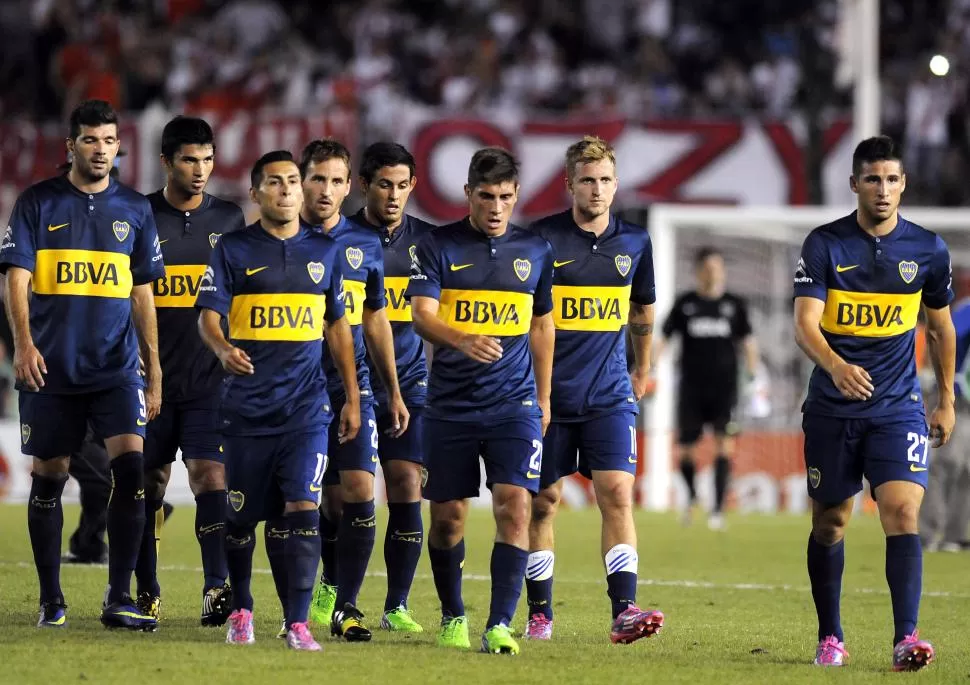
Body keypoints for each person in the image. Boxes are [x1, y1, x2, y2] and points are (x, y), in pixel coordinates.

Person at [792, 135, 955, 670]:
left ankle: (906, 637)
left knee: (903, 511)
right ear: (855, 184)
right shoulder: (825, 244)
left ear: (903, 183)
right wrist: (836, 367)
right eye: (872, 179)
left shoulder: (928, 249)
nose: (883, 190)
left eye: (891, 179)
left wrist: (946, 399)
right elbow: (804, 325)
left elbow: (940, 328)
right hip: (833, 409)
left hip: (898, 406)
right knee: (831, 522)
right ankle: (830, 636)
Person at [0, 99, 165, 630]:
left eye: (109, 141)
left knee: (131, 470)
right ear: (71, 146)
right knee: (49, 478)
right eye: (90, 140)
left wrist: (153, 367)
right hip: (52, 368)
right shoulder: (36, 203)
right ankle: (51, 598)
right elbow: (16, 280)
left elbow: (143, 293)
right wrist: (24, 345)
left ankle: (119, 598)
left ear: (120, 147)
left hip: (116, 369)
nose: (100, 149)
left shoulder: (135, 209)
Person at [196, 150, 360, 651]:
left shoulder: (326, 252)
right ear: (256, 193)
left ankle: (298, 621)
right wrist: (223, 348)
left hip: (306, 409)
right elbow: (207, 316)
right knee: (242, 518)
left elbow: (338, 327)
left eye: (293, 180)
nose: (288, 189)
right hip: (246, 409)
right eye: (276, 182)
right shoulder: (233, 249)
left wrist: (351, 396)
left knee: (303, 507)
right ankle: (241, 609)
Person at [406, 147, 555, 655]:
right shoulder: (437, 245)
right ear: (468, 193)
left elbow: (541, 323)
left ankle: (499, 624)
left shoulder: (535, 251)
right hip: (449, 406)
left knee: (515, 506)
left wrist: (544, 395)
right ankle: (453, 614)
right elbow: (422, 314)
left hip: (514, 405)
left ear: (517, 196)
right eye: (487, 196)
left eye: (506, 197)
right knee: (447, 520)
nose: (496, 207)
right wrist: (462, 338)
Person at [526, 135, 663, 643]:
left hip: (608, 395)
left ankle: (624, 610)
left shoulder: (635, 244)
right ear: (569, 185)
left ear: (616, 184)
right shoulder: (540, 242)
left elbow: (643, 308)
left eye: (605, 180)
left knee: (617, 494)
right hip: (549, 398)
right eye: (587, 181)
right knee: (543, 503)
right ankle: (540, 614)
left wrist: (642, 367)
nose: (598, 189)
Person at [292, 139, 409, 642]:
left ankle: (346, 606)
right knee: (321, 505)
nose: (327, 189)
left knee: (362, 491)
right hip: (292, 389)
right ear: (302, 180)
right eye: (318, 178)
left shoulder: (364, 245)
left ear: (348, 186)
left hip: (350, 388)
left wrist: (393, 390)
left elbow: (375, 318)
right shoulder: (277, 239)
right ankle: (284, 600)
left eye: (337, 180)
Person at [134, 115, 247, 626]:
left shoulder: (229, 220)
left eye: (207, 159)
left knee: (210, 477)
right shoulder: (140, 216)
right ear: (166, 162)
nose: (200, 170)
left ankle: (214, 587)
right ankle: (146, 588)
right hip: (149, 379)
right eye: (188, 160)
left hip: (209, 381)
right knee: (148, 484)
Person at [351, 142, 435, 632]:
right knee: (346, 497)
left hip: (409, 381)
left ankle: (397, 604)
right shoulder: (339, 238)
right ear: (365, 185)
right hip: (348, 384)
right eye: (385, 184)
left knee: (405, 483)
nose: (395, 195)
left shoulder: (428, 243)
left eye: (404, 186)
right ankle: (337, 591)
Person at [657, 246, 758, 529]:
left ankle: (717, 510)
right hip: (691, 387)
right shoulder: (685, 303)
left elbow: (748, 343)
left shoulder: (734, 304)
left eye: (717, 267)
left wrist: (754, 377)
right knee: (686, 450)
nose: (712, 272)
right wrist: (648, 369)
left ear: (723, 270)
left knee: (724, 447)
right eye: (707, 267)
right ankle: (690, 498)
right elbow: (663, 338)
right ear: (698, 271)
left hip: (725, 389)